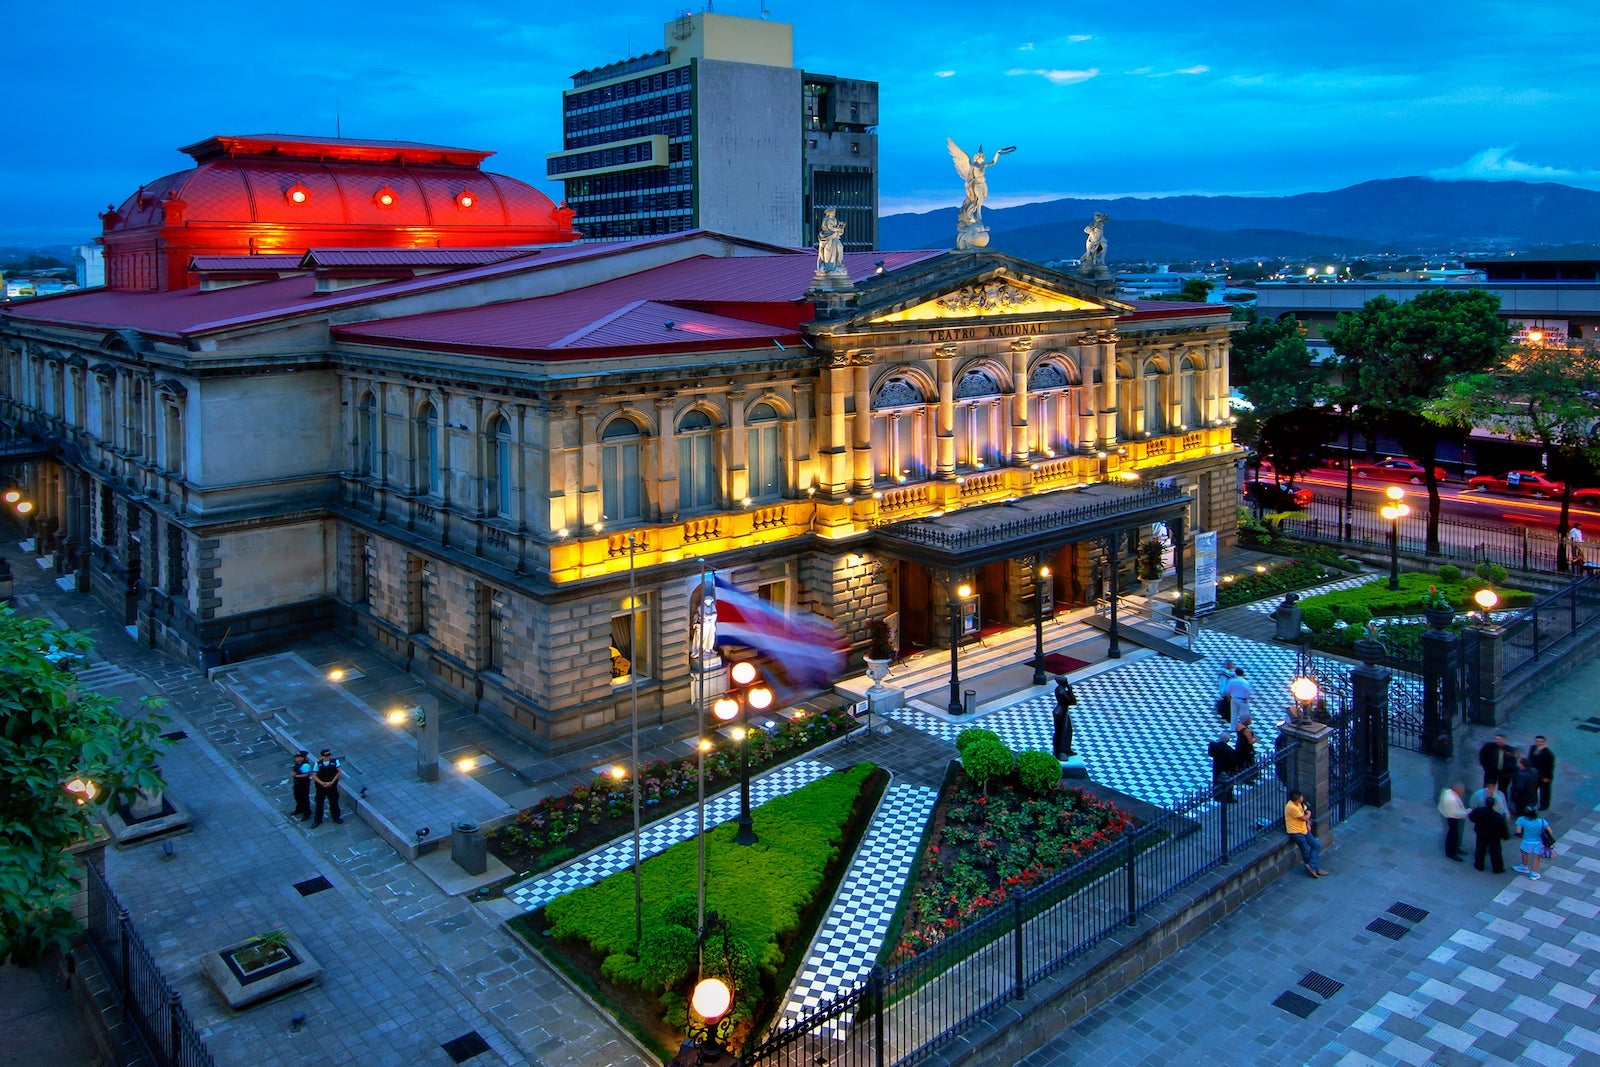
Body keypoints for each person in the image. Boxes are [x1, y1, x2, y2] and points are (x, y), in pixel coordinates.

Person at [1285, 791, 1327, 877]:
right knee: (1305, 850)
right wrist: (1309, 814)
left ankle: (1312, 866)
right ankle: (1314, 868)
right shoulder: (1291, 807)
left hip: (1304, 829)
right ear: (1297, 799)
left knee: (1316, 845)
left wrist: (1308, 824)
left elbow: (1304, 812)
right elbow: (1304, 817)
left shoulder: (1300, 804)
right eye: (1301, 797)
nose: (1302, 798)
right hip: (1296, 832)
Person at [1468, 793, 1510, 873]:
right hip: (1494, 836)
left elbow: (1471, 817)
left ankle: (1479, 865)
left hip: (1481, 833)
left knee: (1480, 849)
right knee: (1496, 852)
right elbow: (1503, 827)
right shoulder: (1497, 816)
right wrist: (1505, 836)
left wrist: (1477, 822)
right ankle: (1498, 868)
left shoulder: (1479, 811)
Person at [1513, 805, 1550, 880]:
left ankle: (1524, 866)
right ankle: (1534, 874)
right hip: (1539, 842)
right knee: (1537, 857)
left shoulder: (1521, 820)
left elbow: (1518, 831)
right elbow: (1550, 831)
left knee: (1524, 853)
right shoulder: (1541, 821)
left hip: (1527, 840)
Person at [311, 749, 344, 827]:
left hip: (332, 786)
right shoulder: (318, 764)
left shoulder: (335, 762)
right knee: (319, 804)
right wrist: (322, 783)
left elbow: (339, 772)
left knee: (334, 802)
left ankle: (336, 817)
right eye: (326, 755)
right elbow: (314, 775)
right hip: (321, 787)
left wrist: (332, 782)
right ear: (322, 756)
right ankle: (317, 820)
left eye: (329, 754)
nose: (328, 756)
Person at [1438, 783, 1467, 862]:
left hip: (1451, 815)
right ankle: (1451, 852)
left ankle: (1455, 848)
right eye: (1462, 789)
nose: (1463, 791)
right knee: (1452, 833)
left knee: (1454, 833)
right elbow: (1455, 813)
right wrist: (1469, 812)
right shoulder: (1451, 799)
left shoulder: (1450, 793)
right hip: (1452, 817)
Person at [1529, 735, 1556, 811]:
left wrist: (1548, 777)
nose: (1539, 743)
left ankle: (1544, 804)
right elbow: (1530, 759)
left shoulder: (1549, 754)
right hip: (1534, 773)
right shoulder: (1533, 748)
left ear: (1544, 743)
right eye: (1537, 741)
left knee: (1544, 791)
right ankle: (1533, 802)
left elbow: (1550, 767)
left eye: (1541, 742)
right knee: (1533, 789)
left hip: (1544, 776)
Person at [815, 208, 846, 274]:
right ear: (829, 213)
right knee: (828, 250)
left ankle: (837, 263)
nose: (834, 213)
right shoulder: (827, 219)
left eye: (834, 212)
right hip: (827, 236)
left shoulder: (834, 219)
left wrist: (840, 227)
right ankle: (829, 266)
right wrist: (838, 229)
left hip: (834, 236)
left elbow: (834, 227)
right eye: (833, 212)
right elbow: (830, 228)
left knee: (840, 247)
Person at [1224, 667, 1253, 733]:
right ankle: (1243, 727)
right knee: (1244, 714)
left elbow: (1228, 691)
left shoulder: (1231, 681)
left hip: (1234, 699)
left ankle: (1233, 728)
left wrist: (1228, 698)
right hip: (1243, 700)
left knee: (1234, 714)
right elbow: (1250, 692)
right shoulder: (1245, 682)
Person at [290, 749, 313, 821]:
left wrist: (295, 776)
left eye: (298, 757)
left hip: (303, 784)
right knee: (297, 796)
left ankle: (307, 813)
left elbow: (305, 775)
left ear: (303, 757)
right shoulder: (298, 762)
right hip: (297, 783)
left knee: (304, 798)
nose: (296, 758)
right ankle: (299, 809)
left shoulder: (305, 765)